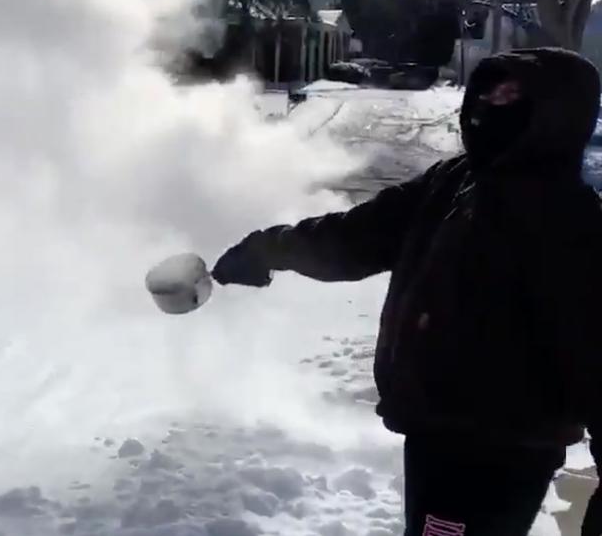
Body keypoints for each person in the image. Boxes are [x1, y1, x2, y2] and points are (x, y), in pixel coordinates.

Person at [212, 48, 602, 536]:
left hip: (497, 448)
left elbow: (596, 353)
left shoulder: (573, 225)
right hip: (435, 429)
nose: (487, 106)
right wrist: (268, 250)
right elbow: (356, 237)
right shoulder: (454, 180)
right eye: (485, 91)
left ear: (556, 115)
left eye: (510, 96)